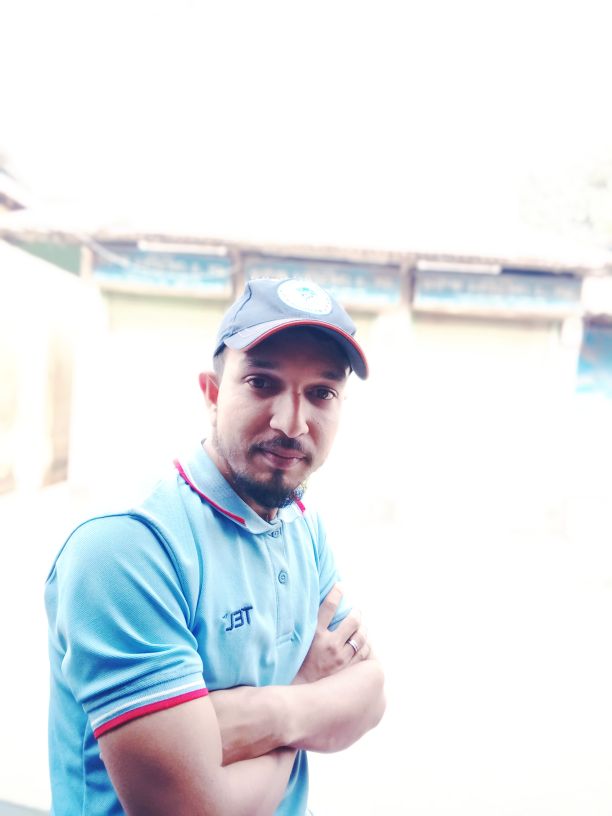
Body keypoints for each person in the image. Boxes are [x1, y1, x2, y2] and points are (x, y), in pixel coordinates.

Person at [45, 277, 386, 815]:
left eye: (321, 393)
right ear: (211, 393)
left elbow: (370, 694)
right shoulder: (128, 547)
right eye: (261, 383)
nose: (291, 423)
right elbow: (191, 809)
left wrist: (271, 715)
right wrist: (309, 698)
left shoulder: (302, 524)